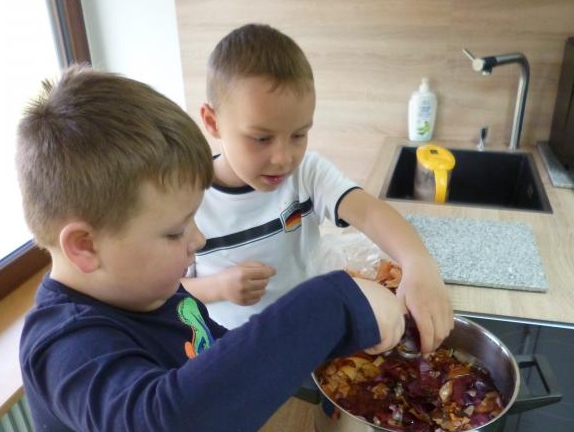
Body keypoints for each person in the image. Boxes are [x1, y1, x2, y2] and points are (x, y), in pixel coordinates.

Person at [16, 65, 405, 432]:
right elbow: (176, 427)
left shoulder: (146, 288)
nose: (197, 242)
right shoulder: (63, 346)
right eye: (176, 230)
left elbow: (211, 353)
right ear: (85, 247)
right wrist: (331, 304)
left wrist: (319, 345)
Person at [181, 23, 454, 353]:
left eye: (299, 134)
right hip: (231, 349)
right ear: (212, 122)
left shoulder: (307, 173)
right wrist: (217, 287)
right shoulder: (186, 197)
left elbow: (369, 212)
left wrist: (418, 262)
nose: (283, 159)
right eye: (261, 138)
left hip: (305, 333)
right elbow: (167, 290)